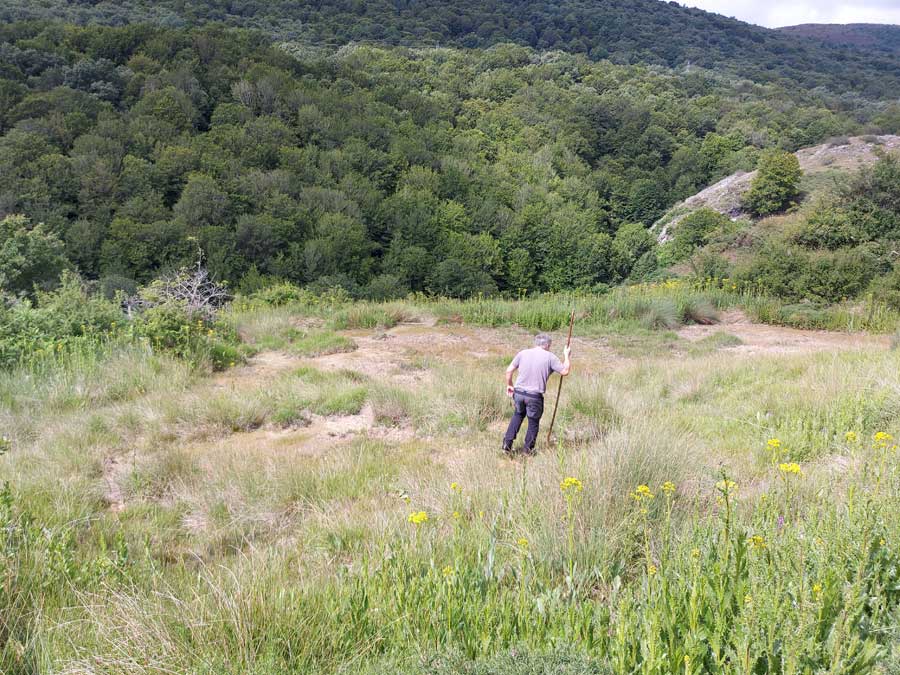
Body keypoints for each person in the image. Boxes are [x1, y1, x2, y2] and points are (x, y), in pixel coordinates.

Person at [502, 333, 571, 455]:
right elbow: (565, 371)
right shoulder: (550, 357)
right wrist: (566, 355)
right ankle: (527, 450)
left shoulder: (523, 353)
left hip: (518, 393)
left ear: (536, 343)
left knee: (517, 416)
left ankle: (506, 445)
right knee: (533, 422)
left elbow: (509, 371)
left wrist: (509, 384)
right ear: (548, 345)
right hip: (534, 396)